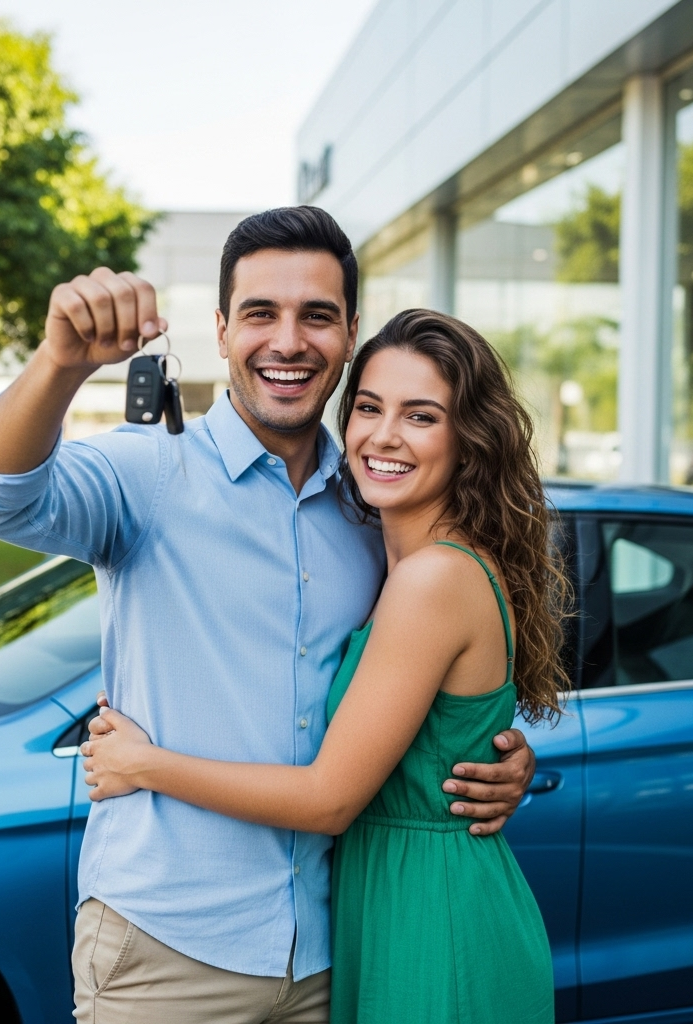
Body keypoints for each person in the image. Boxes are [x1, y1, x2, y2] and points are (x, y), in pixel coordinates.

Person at [0, 208, 538, 1024]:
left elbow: (424, 685)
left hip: (336, 950)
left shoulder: (375, 511)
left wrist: (488, 753)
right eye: (261, 313)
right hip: (168, 953)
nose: (288, 341)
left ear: (349, 333)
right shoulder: (148, 471)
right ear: (222, 330)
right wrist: (59, 363)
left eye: (317, 316)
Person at [82, 308, 565, 1023]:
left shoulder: (432, 579)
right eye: (368, 408)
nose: (383, 436)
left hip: (435, 919)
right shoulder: (385, 555)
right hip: (387, 901)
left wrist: (144, 765)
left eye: (422, 416)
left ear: (470, 441)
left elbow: (330, 798)